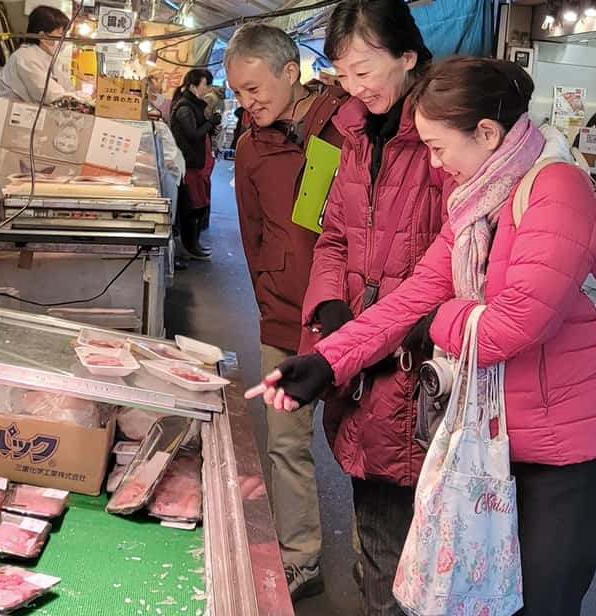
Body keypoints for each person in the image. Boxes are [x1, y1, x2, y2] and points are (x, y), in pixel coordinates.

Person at [251, 55, 596, 616]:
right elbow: (414, 294)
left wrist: (436, 322)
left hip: (571, 457)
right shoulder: (477, 200)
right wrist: (328, 361)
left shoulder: (559, 191)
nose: (434, 165)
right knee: (480, 599)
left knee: (541, 606)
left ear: (486, 133)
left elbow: (513, 324)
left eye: (438, 147)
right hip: (496, 443)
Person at [238, 1, 448, 613]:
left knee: (415, 540)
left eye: (362, 71)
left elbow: (445, 268)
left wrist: (352, 333)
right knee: (362, 498)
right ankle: (308, 561)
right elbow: (329, 231)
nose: (351, 88)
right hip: (333, 335)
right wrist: (328, 303)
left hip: (417, 359)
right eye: (342, 74)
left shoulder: (421, 136)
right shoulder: (352, 133)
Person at [224, 22, 349, 601]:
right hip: (283, 321)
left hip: (352, 321)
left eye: (255, 89)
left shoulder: (347, 127)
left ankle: (393, 568)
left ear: (290, 73)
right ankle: (300, 559)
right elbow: (251, 237)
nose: (247, 103)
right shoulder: (251, 147)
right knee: (284, 444)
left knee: (377, 449)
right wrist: (272, 298)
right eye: (239, 93)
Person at [169, 69, 220, 261]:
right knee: (189, 209)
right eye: (206, 84)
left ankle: (193, 246)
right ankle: (189, 248)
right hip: (188, 164)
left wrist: (210, 126)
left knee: (195, 207)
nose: (208, 88)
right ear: (193, 85)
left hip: (194, 162)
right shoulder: (185, 107)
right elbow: (192, 134)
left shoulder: (194, 105)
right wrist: (209, 123)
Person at [0, 6, 80, 104]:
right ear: (43, 36)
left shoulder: (49, 60)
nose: (64, 40)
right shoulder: (25, 58)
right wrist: (83, 98)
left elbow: (68, 89)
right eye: (61, 35)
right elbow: (52, 96)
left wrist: (84, 98)